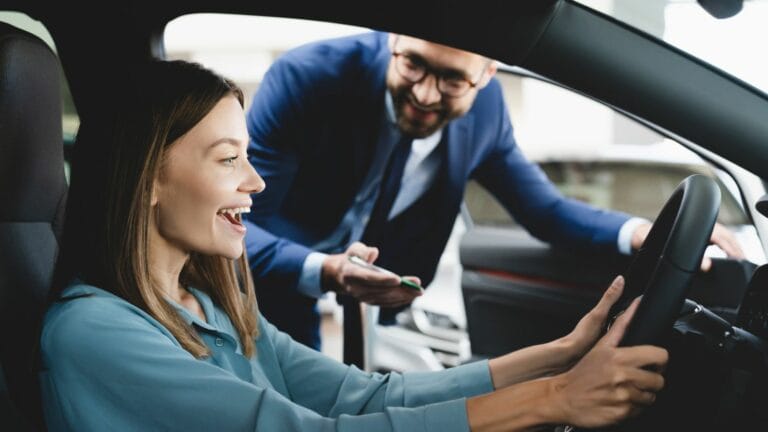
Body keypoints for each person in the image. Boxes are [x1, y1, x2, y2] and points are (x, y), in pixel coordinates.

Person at [40, 59, 668, 431]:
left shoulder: (210, 302)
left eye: (249, 157)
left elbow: (365, 398)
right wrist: (555, 398)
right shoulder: (93, 333)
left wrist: (559, 354)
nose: (256, 183)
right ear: (147, 177)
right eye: (228, 159)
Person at [242, 31, 744, 356]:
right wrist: (320, 270)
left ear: (487, 75)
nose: (424, 94)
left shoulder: (486, 114)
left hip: (372, 293)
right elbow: (242, 221)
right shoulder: (310, 76)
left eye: (452, 79)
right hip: (260, 280)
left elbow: (544, 210)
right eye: (413, 64)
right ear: (393, 39)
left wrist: (642, 232)